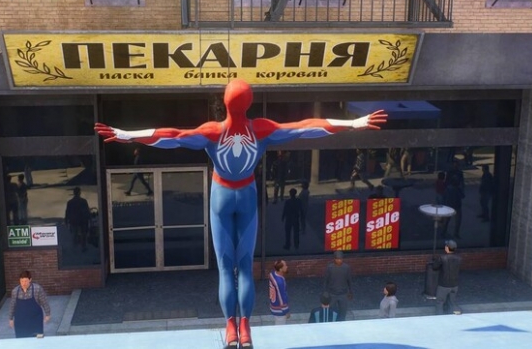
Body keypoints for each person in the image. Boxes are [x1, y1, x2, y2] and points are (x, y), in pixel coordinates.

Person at [95, 79, 387, 348]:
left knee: (226, 267)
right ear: (249, 103)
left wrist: (128, 135)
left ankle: (231, 326)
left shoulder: (213, 131)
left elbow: (173, 136)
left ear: (224, 102)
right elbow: (307, 126)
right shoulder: (261, 129)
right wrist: (353, 124)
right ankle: (245, 327)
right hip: (246, 194)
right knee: (244, 266)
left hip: (222, 196)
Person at [9, 270, 51, 338]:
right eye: (22, 281)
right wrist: (10, 319)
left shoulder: (37, 289)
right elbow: (12, 306)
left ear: (30, 280)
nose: (24, 283)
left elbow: (44, 302)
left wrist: (48, 314)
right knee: (21, 341)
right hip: (20, 321)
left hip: (36, 320)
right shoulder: (15, 291)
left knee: (39, 339)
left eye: (25, 281)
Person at [432, 240, 462, 315]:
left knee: (439, 302)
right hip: (454, 284)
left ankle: (440, 317)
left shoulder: (442, 257)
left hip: (443, 284)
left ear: (447, 248)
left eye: (446, 246)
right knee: (451, 302)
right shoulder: (459, 258)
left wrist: (435, 260)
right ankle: (451, 316)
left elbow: (434, 267)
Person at [323, 250, 354, 321]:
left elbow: (349, 280)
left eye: (340, 259)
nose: (339, 260)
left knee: (343, 312)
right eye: (337, 259)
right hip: (332, 293)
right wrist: (325, 292)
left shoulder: (346, 268)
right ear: (334, 259)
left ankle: (341, 323)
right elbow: (325, 280)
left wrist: (351, 291)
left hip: (343, 294)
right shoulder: (330, 268)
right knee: (331, 311)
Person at [65, 187, 91, 252]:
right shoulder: (83, 201)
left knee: (75, 234)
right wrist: (89, 218)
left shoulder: (70, 202)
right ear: (79, 193)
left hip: (74, 221)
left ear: (74, 193)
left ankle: (75, 247)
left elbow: (67, 212)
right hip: (82, 220)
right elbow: (87, 211)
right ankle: (83, 247)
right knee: (83, 234)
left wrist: (66, 220)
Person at [269, 259, 290, 325]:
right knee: (280, 327)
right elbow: (281, 298)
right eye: (285, 266)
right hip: (279, 310)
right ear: (280, 269)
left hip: (274, 304)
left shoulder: (272, 274)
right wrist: (286, 311)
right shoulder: (279, 282)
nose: (287, 267)